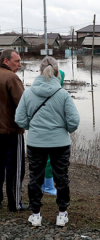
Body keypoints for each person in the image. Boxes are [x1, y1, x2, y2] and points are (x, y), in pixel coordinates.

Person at [15, 56, 80, 227]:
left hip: (36, 142)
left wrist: (34, 127)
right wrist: (63, 129)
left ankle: (36, 215)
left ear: (39, 70)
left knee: (35, 178)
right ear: (57, 72)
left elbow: (20, 119)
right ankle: (62, 214)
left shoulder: (28, 92)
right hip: (60, 143)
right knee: (62, 178)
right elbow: (74, 121)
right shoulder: (63, 94)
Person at [0, 49, 28, 212]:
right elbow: (23, 105)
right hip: (11, 132)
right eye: (16, 61)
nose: (20, 64)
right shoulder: (12, 78)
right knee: (15, 170)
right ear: (6, 61)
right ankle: (15, 203)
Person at [42, 70, 65, 196]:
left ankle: (44, 184)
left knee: (42, 158)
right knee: (50, 159)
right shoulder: (59, 94)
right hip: (52, 131)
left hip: (39, 132)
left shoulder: (37, 91)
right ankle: (49, 186)